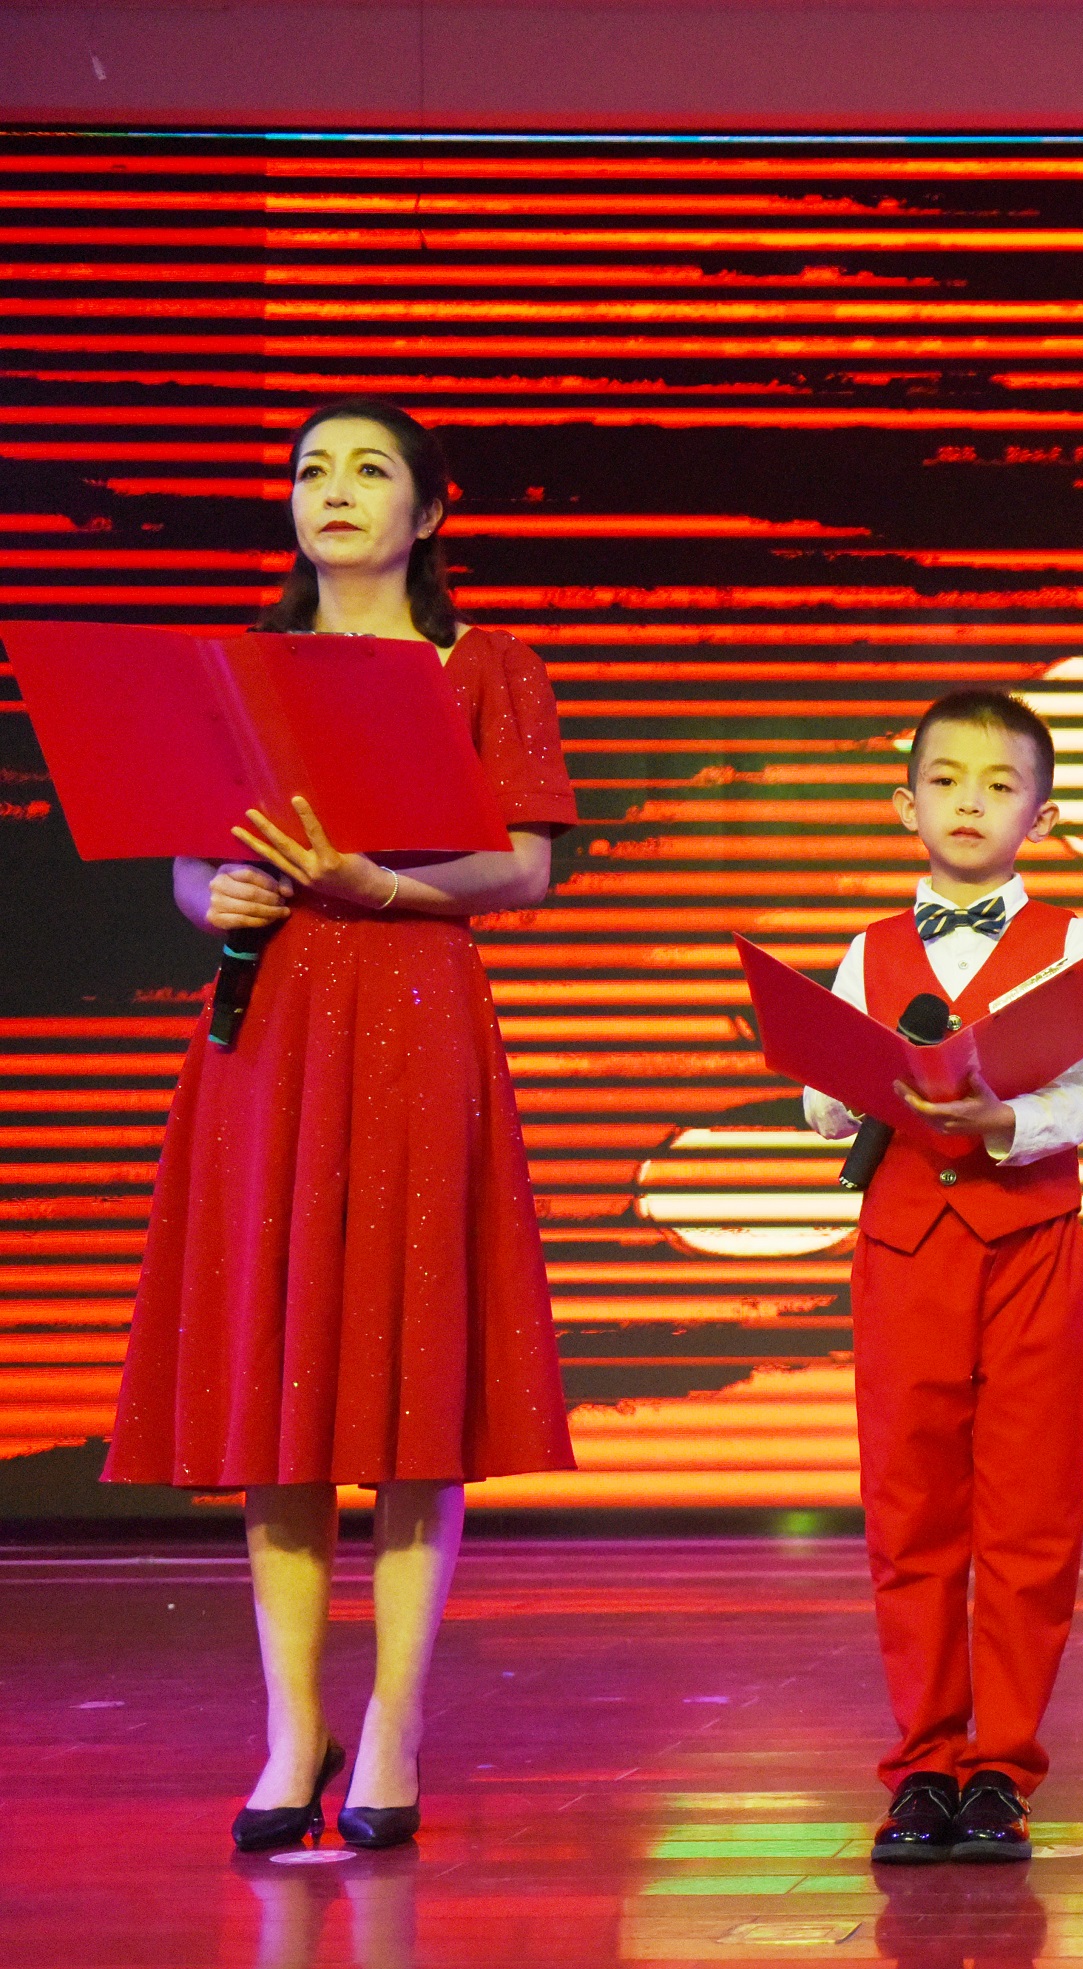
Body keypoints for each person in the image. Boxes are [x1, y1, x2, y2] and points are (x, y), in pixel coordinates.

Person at [101, 399, 577, 1852]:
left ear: (429, 512)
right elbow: (193, 867)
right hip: (275, 1023)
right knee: (283, 1381)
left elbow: (526, 867)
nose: (335, 491)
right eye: (313, 469)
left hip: (418, 1009)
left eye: (371, 470)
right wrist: (218, 896)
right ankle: (288, 1728)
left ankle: (393, 1727)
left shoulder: (486, 662)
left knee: (414, 1379)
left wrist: (388, 886)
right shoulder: (241, 670)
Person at [799, 689, 1083, 1864]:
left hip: (1029, 1241)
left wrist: (1002, 1121)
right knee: (911, 1511)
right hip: (903, 1250)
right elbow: (823, 1105)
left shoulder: (1070, 943)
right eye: (945, 780)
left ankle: (1002, 1768)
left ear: (1042, 816)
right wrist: (857, 1080)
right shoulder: (871, 947)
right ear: (905, 805)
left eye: (999, 784)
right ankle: (925, 1763)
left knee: (1028, 1514)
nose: (969, 802)